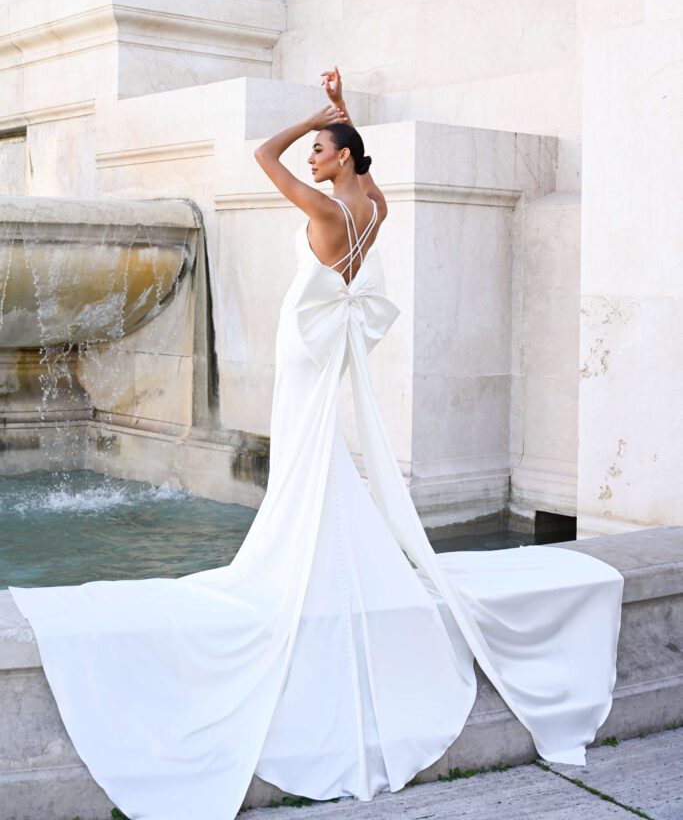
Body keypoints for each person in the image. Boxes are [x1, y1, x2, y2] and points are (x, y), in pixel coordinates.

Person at [8, 66, 624, 820]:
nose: (310, 158)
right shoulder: (370, 208)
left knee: (306, 454)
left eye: (322, 151)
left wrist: (308, 118)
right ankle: (317, 552)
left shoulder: (328, 211)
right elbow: (370, 186)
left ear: (341, 157)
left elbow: (261, 156)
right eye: (315, 150)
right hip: (324, 344)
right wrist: (342, 120)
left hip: (304, 352)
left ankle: (296, 562)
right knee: (316, 452)